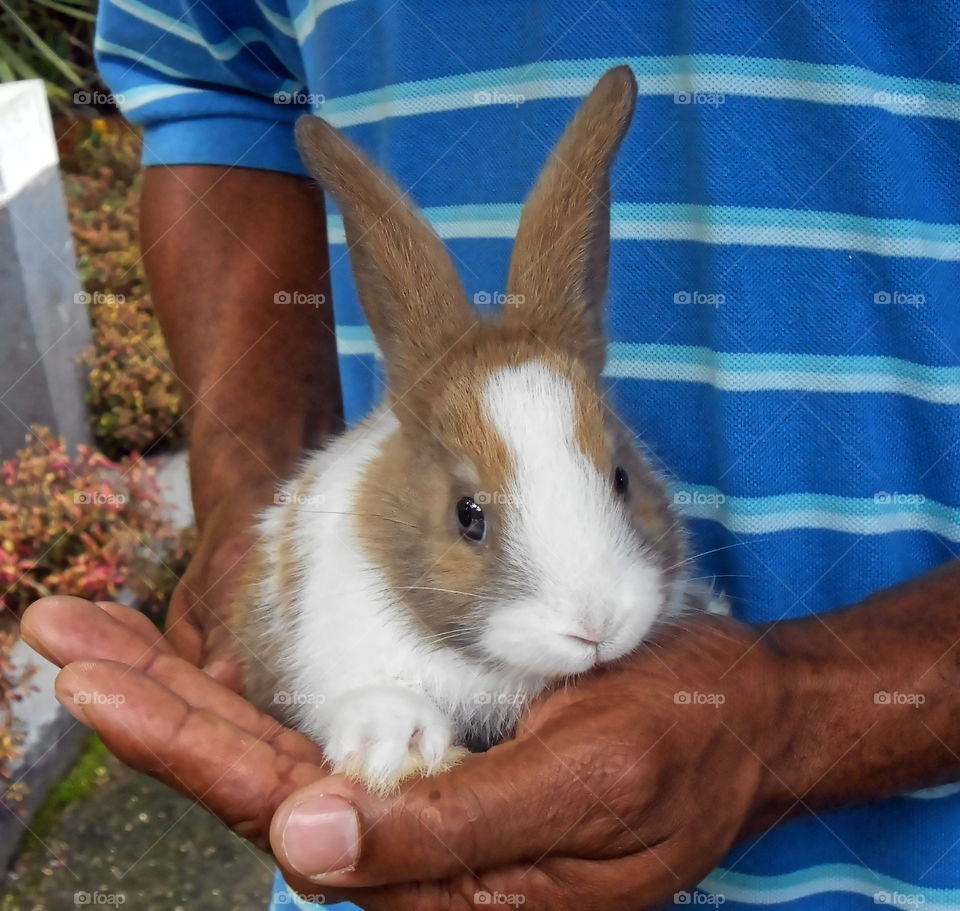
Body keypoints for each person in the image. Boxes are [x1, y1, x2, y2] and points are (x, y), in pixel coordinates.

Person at [22, 2, 960, 909]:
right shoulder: (359, 553)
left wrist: (792, 706)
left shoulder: (624, 560)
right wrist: (238, 479)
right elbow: (214, 82)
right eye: (473, 521)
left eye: (617, 481)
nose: (591, 621)